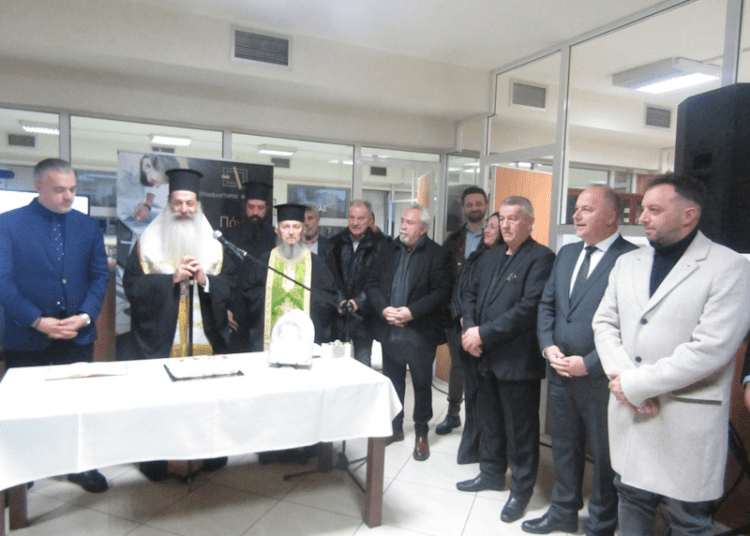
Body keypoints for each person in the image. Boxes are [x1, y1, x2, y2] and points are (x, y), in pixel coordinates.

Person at [592, 174, 750, 536]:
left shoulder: (729, 267)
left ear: (688, 215)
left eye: (654, 209)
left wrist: (637, 385)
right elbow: (604, 323)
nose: (642, 217)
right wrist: (626, 383)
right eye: (643, 209)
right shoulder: (628, 263)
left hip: (685, 417)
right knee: (631, 501)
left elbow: (711, 349)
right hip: (631, 411)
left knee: (687, 521)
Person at [522, 186, 637, 535]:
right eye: (576, 208)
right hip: (561, 373)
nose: (576, 214)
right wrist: (548, 347)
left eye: (586, 209)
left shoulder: (631, 259)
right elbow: (548, 305)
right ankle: (563, 511)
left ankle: (601, 522)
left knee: (604, 456)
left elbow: (630, 327)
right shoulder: (568, 253)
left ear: (611, 217)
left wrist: (590, 363)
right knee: (564, 447)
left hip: (603, 379)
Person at [0, 158, 110, 493]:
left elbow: (100, 276)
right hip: (26, 334)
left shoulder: (87, 226)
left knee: (76, 405)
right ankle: (23, 467)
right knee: (25, 408)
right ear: (38, 186)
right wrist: (37, 320)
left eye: (73, 189)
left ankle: (79, 465)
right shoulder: (8, 224)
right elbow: (3, 282)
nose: (69, 196)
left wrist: (87, 315)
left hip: (77, 334)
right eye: (60, 189)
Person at [460, 196, 554, 523]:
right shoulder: (492, 255)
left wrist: (482, 334)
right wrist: (470, 329)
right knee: (489, 420)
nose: (507, 225)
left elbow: (527, 310)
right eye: (503, 219)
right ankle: (491, 473)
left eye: (515, 218)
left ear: (530, 222)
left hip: (516, 360)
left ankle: (522, 490)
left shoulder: (541, 258)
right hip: (483, 355)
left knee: (520, 429)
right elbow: (470, 295)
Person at [366, 204, 453, 461]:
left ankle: (421, 433)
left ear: (423, 228)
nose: (403, 226)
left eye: (410, 223)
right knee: (393, 380)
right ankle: (394, 427)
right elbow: (371, 284)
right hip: (390, 328)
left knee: (422, 384)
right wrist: (384, 309)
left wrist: (411, 312)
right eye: (403, 221)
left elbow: (441, 292)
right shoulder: (387, 249)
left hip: (419, 331)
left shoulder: (438, 255)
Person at [123, 169, 234, 360]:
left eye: (190, 203)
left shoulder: (215, 245)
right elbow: (132, 286)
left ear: (197, 205)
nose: (184, 209)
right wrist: (171, 280)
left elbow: (230, 284)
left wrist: (205, 280)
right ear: (169, 204)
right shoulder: (146, 243)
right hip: (161, 343)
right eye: (178, 203)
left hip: (206, 341)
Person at [242, 203, 338, 352]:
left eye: (296, 227)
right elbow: (249, 294)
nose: (291, 232)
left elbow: (328, 298)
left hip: (303, 341)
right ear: (277, 230)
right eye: (286, 227)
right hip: (269, 340)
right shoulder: (263, 261)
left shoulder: (317, 263)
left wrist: (303, 300)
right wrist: (274, 297)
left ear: (303, 230)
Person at [450, 211, 504, 466]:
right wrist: (464, 320)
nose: (488, 231)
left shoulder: (505, 260)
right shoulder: (476, 256)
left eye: (494, 226)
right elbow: (462, 292)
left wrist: (479, 332)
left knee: (488, 401)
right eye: (488, 226)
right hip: (466, 331)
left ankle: (487, 452)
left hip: (488, 338)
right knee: (471, 395)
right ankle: (471, 447)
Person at [437, 186, 489, 441]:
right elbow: (446, 281)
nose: (474, 208)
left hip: (486, 318)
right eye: (470, 205)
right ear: (463, 209)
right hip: (456, 315)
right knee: (458, 366)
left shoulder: (498, 237)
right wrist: (457, 313)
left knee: (483, 370)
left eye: (479, 204)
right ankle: (453, 414)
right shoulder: (453, 240)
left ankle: (480, 421)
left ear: (486, 205)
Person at [324, 200, 382, 366]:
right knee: (336, 367)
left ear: (370, 219)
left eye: (360, 218)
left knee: (363, 366)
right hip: (338, 317)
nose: (355, 223)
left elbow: (379, 281)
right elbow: (329, 277)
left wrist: (358, 302)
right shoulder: (334, 243)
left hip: (364, 319)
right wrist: (339, 300)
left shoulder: (380, 246)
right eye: (352, 217)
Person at [224, 181, 276, 352]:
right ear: (244, 207)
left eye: (260, 208)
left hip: (264, 311)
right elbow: (223, 276)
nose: (255, 213)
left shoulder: (276, 238)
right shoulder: (228, 237)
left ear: (267, 209)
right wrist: (224, 308)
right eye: (251, 207)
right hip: (235, 312)